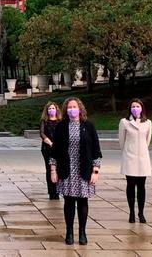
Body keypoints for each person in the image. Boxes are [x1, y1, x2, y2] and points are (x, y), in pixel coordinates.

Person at [49, 97, 102, 246]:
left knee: (83, 201)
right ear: (66, 110)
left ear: (80, 108)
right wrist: (53, 170)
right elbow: (55, 151)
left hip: (83, 169)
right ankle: (69, 231)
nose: (72, 109)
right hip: (67, 169)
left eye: (75, 107)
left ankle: (83, 232)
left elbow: (96, 150)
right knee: (69, 202)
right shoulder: (61, 126)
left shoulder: (88, 126)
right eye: (69, 107)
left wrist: (95, 171)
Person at [119, 98, 152, 223]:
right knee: (130, 185)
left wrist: (142, 151)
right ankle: (132, 212)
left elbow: (147, 141)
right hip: (130, 157)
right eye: (133, 106)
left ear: (142, 108)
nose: (135, 108)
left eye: (137, 106)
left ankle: (141, 212)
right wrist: (128, 151)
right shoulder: (124, 122)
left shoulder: (148, 123)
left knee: (142, 186)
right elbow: (122, 141)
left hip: (143, 158)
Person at [40, 102, 62, 200]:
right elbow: (42, 133)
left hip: (58, 148)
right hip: (47, 148)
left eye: (53, 108)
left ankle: (57, 191)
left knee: (58, 169)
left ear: (56, 109)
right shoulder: (44, 121)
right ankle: (51, 192)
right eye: (49, 108)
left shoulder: (60, 121)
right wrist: (49, 142)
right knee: (49, 170)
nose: (51, 110)